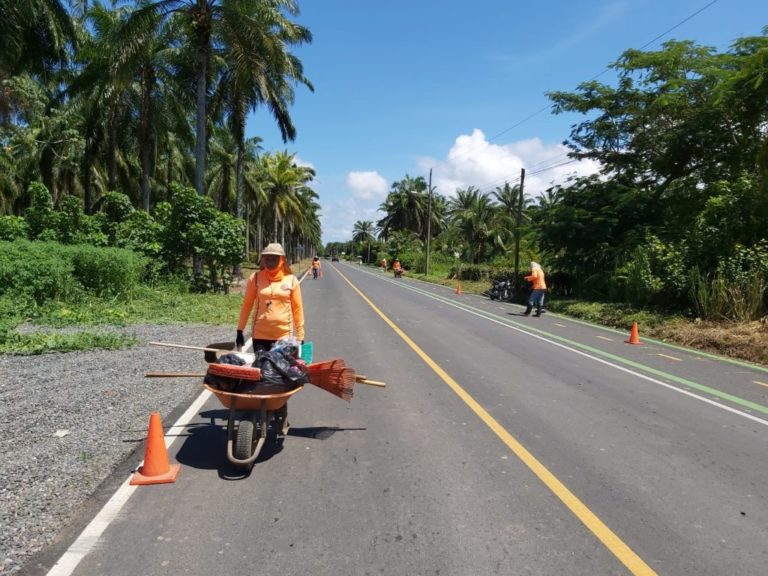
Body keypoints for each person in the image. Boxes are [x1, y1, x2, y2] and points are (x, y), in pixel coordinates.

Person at [236, 243, 304, 353]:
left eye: (275, 258)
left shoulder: (291, 280)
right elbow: (247, 305)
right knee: (263, 368)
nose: (270, 261)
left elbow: (297, 309)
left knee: (280, 368)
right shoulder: (255, 278)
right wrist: (240, 330)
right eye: (267, 258)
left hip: (284, 335)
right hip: (260, 335)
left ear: (282, 259)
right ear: (263, 259)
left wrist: (301, 335)